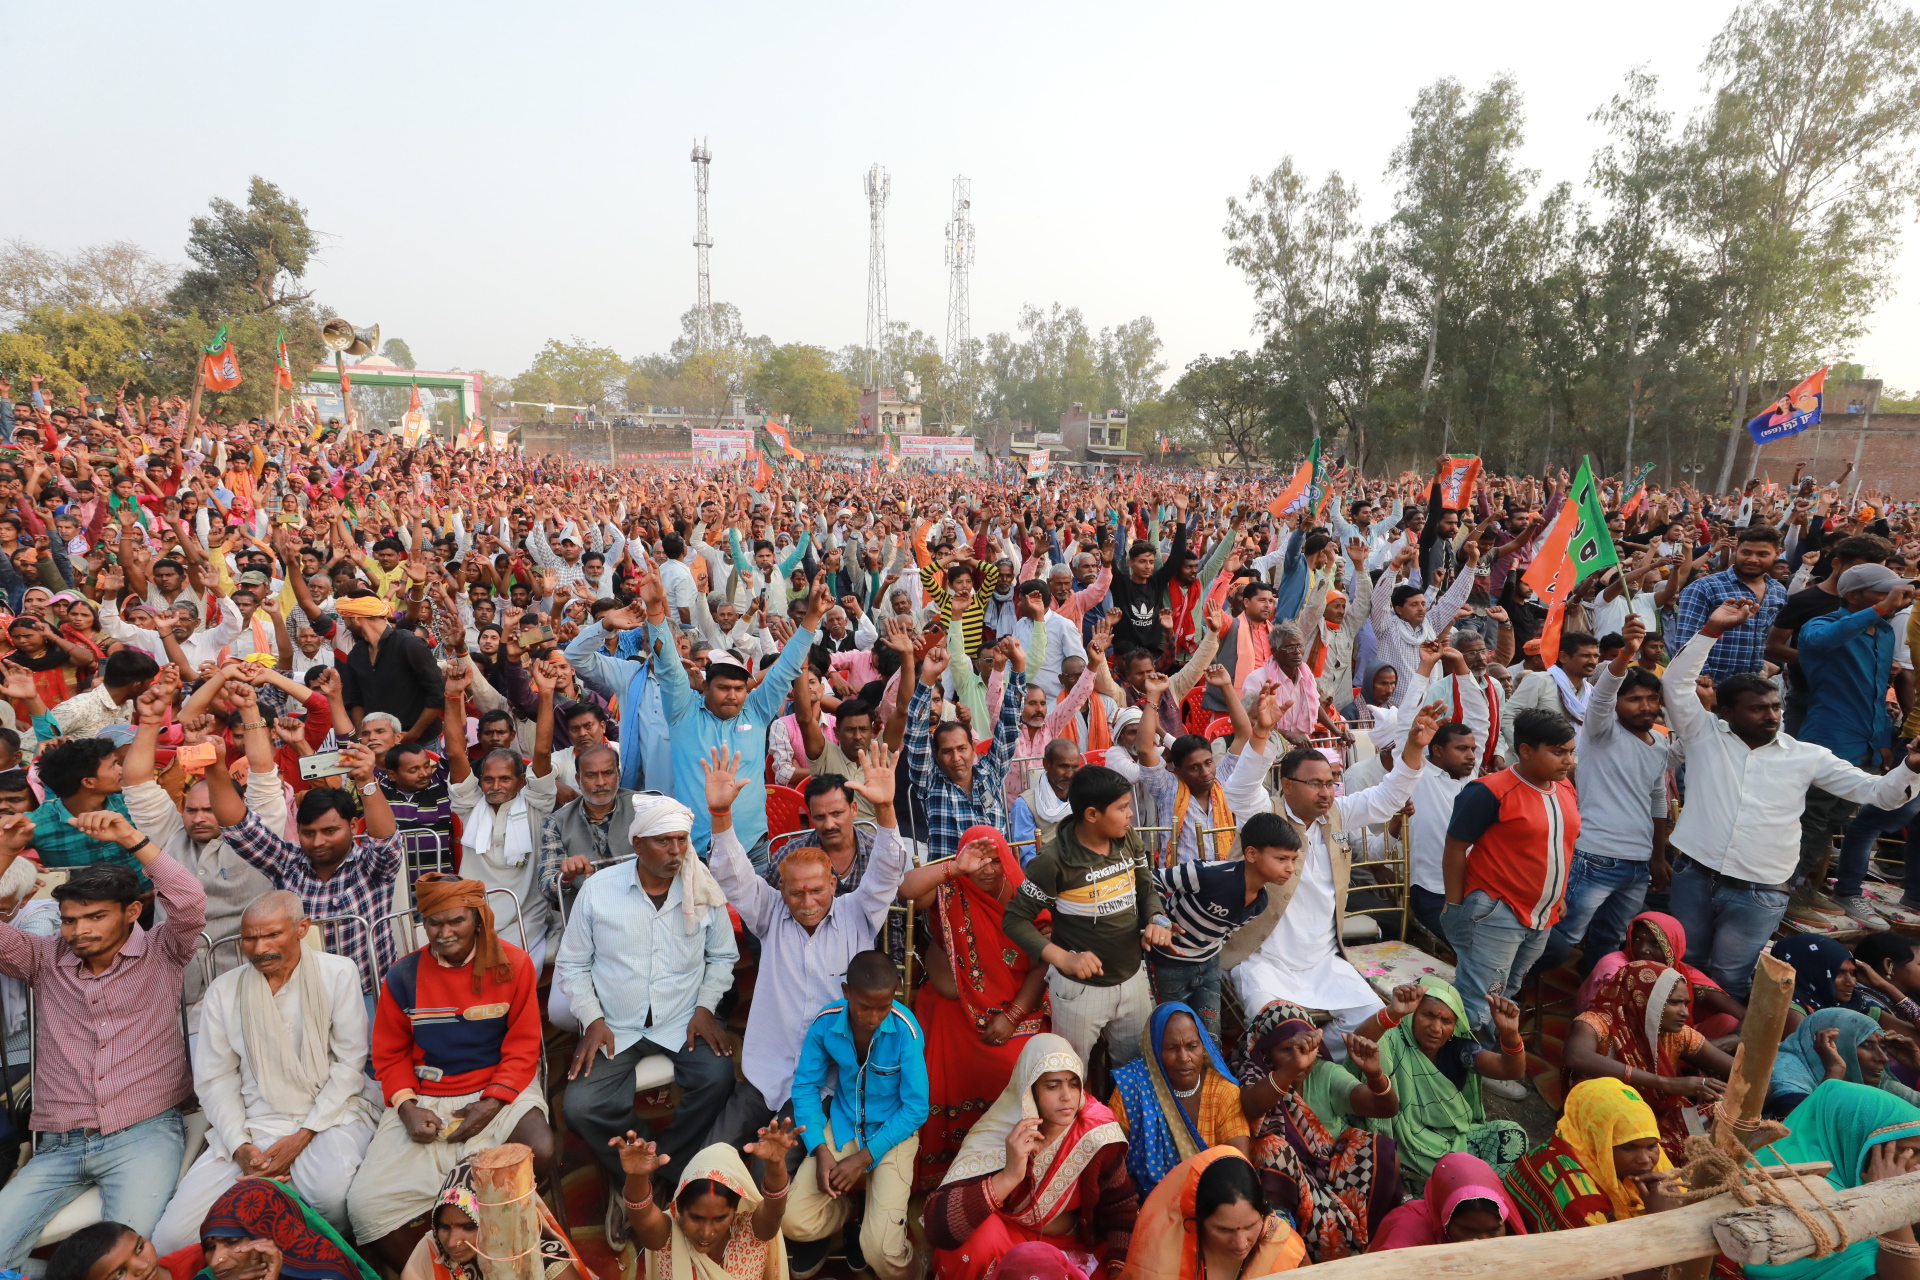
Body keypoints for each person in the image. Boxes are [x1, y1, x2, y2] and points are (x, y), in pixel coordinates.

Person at [1662, 597, 1920, 1001]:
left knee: (1731, 978)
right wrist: (1711, 630)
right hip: (1694, 874)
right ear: (1726, 711)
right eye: (1757, 709)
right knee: (1684, 962)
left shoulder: (1808, 756)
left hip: (1760, 890)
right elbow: (1676, 684)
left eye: (1776, 706)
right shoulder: (1703, 734)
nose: (1771, 715)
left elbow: (1879, 794)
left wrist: (1912, 768)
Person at [0, 811, 205, 1268]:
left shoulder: (163, 951)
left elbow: (189, 900)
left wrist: (132, 838)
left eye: (95, 917)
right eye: (69, 920)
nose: (79, 931)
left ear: (132, 912)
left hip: (143, 1135)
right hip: (57, 1142)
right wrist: (7, 853)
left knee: (128, 1263)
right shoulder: (42, 956)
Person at [704, 742, 905, 1155]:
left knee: (767, 1172)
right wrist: (721, 816)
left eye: (817, 890)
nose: (807, 901)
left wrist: (885, 810)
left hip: (820, 1084)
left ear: (834, 885)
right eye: (796, 892)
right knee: (713, 1155)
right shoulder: (770, 912)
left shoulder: (858, 912)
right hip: (764, 1074)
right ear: (782, 889)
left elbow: (887, 870)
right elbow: (733, 874)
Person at [151, 891, 378, 1252]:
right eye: (250, 938)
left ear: (302, 928)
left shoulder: (338, 973)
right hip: (253, 1126)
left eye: (272, 935)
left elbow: (349, 1065)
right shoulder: (223, 991)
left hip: (331, 1116)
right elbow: (215, 1080)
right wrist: (241, 1145)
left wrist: (302, 1137)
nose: (259, 948)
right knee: (172, 1240)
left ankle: (299, 1265)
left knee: (331, 1199)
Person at [556, 790, 737, 1242]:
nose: (677, 851)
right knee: (578, 1106)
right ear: (638, 844)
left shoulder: (702, 885)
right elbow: (573, 963)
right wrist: (593, 1018)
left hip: (682, 1019)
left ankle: (658, 1170)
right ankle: (629, 1172)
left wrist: (705, 1007)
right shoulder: (600, 889)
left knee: (719, 1078)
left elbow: (722, 957)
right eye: (664, 841)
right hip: (616, 1024)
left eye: (682, 840)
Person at [1221, 693, 1443, 1054]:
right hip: (1263, 959)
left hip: (1322, 959)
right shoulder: (1265, 815)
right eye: (1316, 784)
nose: (1326, 792)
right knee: (1276, 1027)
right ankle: (1289, 1076)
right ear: (1288, 784)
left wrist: (1415, 747)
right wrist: (1261, 731)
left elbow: (1388, 796)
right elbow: (1240, 789)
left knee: (1372, 1018)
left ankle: (1321, 1068)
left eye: (1331, 782)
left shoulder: (1337, 815)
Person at [347, 875, 550, 1268]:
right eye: (433, 922)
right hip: (426, 1096)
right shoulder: (403, 976)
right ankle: (449, 1271)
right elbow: (389, 1055)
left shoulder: (514, 964)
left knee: (537, 1149)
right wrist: (407, 1109)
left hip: (499, 1089)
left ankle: (482, 1234)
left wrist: (489, 1104)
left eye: (455, 920)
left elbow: (524, 1047)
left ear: (478, 918)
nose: (444, 932)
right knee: (366, 1207)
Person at [205, 684, 402, 995]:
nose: (318, 841)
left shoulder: (371, 867)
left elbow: (385, 839)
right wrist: (215, 769)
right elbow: (239, 827)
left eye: (329, 831)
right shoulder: (288, 863)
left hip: (368, 991)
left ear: (352, 826)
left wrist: (366, 781)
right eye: (308, 833)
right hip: (302, 994)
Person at [640, 566, 827, 868]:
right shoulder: (683, 712)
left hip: (754, 849)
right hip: (697, 852)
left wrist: (813, 618)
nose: (732, 695)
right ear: (705, 687)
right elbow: (668, 668)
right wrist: (655, 611)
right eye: (723, 688)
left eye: (739, 688)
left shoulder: (756, 708)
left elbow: (786, 668)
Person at [908, 825, 1051, 1192]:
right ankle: (950, 1161)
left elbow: (1040, 967)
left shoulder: (1025, 897)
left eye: (995, 859)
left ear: (1007, 859)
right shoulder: (949, 889)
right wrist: (954, 869)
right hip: (959, 1010)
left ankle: (1021, 1162)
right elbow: (905, 889)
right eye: (979, 860)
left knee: (1014, 1061)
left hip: (1017, 1006)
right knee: (938, 1038)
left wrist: (1012, 1017)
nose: (987, 868)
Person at [924, 1034, 1137, 1280]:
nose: (1067, 1096)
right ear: (1030, 1089)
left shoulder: (1095, 1133)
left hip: (1069, 1251)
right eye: (1053, 1086)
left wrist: (1117, 1270)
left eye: (1073, 1083)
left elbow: (1121, 1207)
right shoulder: (998, 1133)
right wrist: (1009, 1175)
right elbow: (939, 1228)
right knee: (972, 1245)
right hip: (1006, 1245)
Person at [1002, 763, 1169, 1069]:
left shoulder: (1128, 840)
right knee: (1071, 1071)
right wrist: (1063, 959)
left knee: (1137, 1069)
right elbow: (1014, 920)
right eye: (1122, 808)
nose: (1131, 814)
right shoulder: (1052, 862)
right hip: (1080, 993)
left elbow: (1145, 888)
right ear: (1092, 815)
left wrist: (1156, 918)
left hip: (1133, 979)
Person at [783, 950, 929, 1280]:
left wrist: (862, 1159)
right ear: (847, 992)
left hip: (895, 1132)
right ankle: (850, 1213)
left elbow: (915, 1109)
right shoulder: (825, 1024)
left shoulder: (907, 1031)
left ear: (896, 994)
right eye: (864, 1006)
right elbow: (805, 1087)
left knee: (880, 1252)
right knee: (793, 1221)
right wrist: (819, 1150)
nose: (874, 1016)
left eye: (884, 1006)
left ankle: (915, 1272)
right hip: (845, 1124)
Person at [1441, 708, 1580, 1052]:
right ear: (1526, 750)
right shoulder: (1489, 791)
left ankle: (1483, 1058)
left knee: (1507, 990)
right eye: (1559, 752)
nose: (1569, 760)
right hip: (1495, 911)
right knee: (1480, 997)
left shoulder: (1564, 787)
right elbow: (1456, 849)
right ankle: (1463, 1063)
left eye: (1571, 751)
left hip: (1541, 914)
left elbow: (1560, 844)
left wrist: (1556, 896)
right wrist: (1455, 905)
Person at [1541, 614, 1673, 974]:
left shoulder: (1659, 743)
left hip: (1638, 863)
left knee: (1611, 939)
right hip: (1594, 856)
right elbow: (1601, 695)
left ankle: (1590, 999)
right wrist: (1627, 653)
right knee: (1562, 937)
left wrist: (1657, 857)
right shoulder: (1602, 732)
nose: (1645, 706)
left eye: (1651, 699)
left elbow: (1657, 800)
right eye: (1634, 699)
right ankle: (1519, 998)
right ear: (1615, 703)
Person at [1791, 564, 1914, 929]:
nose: (1891, 598)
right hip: (1829, 737)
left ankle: (1803, 886)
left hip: (1866, 743)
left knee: (1835, 820)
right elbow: (1818, 644)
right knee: (1810, 819)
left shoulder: (1887, 631)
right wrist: (1878, 609)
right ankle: (1784, 889)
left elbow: (1876, 693)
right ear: (1853, 596)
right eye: (1881, 592)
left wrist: (1881, 743)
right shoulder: (1821, 624)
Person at [1233, 1001, 1400, 1261]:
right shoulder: (1254, 1074)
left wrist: (1376, 1074)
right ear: (1266, 1052)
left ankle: (1380, 1236)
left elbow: (1384, 1107)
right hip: (1283, 1186)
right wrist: (1291, 1069)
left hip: (1329, 1172)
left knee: (1377, 1148)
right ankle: (1282, 1249)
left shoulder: (1323, 1072)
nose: (1299, 1056)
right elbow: (1251, 1106)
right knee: (1272, 1149)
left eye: (1304, 1048)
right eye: (1285, 1050)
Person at [443, 659, 558, 966]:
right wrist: (453, 697)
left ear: (521, 781)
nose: (495, 786)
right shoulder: (470, 805)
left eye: (505, 779)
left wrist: (546, 695)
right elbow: (456, 752)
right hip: (473, 911)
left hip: (525, 914)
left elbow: (543, 752)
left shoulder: (536, 804)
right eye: (489, 779)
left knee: (506, 967)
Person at [1361, 980, 1531, 1188]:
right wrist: (1393, 1012)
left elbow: (1510, 1070)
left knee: (1511, 1134)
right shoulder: (1392, 1040)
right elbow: (1360, 1046)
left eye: (1447, 1021)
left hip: (1453, 1145)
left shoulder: (1457, 1049)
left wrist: (1510, 1034)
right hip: (1403, 1152)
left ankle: (1467, 1195)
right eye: (1428, 1015)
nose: (1436, 1028)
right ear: (1412, 1014)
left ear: (1454, 1026)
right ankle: (1458, 1192)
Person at [1563, 960, 1733, 1162]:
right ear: (1643, 998)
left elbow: (1745, 1076)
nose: (1684, 1012)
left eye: (1685, 1003)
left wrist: (1721, 1092)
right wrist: (1666, 1083)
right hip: (1609, 1120)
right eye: (1674, 1002)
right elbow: (1576, 1056)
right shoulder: (1597, 1022)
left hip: (1657, 1118)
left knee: (1720, 1114)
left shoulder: (1677, 1033)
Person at [1149, 812, 1299, 1038]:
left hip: (1209, 966)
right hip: (1170, 964)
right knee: (1173, 1033)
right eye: (1281, 859)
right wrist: (1160, 919)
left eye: (1294, 859)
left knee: (1211, 1036)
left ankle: (1212, 1073)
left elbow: (1224, 934)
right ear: (1251, 854)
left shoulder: (1260, 903)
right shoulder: (1210, 874)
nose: (1290, 868)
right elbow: (1151, 881)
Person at [1750, 1081, 1920, 1280]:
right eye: (1912, 1152)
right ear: (1856, 1140)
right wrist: (1891, 1201)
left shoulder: (1841, 1174)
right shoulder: (1802, 1191)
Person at [616, 1130, 802, 1280]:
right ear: (679, 1207)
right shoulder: (668, 1236)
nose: (706, 1233)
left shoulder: (750, 1232)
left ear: (735, 1209)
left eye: (720, 1218)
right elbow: (644, 1219)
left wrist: (776, 1165)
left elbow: (774, 1211)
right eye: (696, 1217)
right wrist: (636, 1177)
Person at [1503, 1077, 1679, 1234]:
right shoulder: (1581, 1202)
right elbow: (1612, 1265)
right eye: (1629, 1148)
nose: (1646, 1159)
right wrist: (1662, 1221)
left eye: (1652, 1146)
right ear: (1596, 1140)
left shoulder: (1585, 1145)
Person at [1107, 1003, 1251, 1195]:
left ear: (1204, 1047)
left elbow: (1239, 1171)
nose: (1184, 1058)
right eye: (1172, 1048)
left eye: (1192, 1046)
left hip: (1213, 1204)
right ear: (1155, 1051)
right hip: (1148, 1205)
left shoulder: (1224, 1092)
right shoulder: (1132, 1087)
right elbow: (1112, 1166)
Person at [905, 639, 1028, 862]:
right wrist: (927, 678)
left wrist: (1018, 666)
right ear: (936, 755)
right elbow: (915, 732)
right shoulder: (930, 783)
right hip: (954, 884)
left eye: (962, 748)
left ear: (973, 748)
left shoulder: (991, 771)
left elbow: (1009, 725)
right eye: (947, 751)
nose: (956, 758)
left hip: (996, 880)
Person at [1117, 1147, 1304, 1280]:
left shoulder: (1283, 1249)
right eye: (1224, 1230)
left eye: (1250, 1226)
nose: (1240, 1243)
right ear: (1196, 1219)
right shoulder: (1158, 1258)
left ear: (1264, 1213)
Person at [401, 1159, 586, 1280]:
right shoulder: (433, 1249)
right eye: (444, 1227)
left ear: (498, 1222)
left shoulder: (542, 1262)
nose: (452, 1242)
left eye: (468, 1227)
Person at [1575, 912, 1747, 1040]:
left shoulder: (1680, 970)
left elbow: (1742, 1014)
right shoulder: (1615, 966)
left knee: (1728, 1022)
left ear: (1673, 948)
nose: (1642, 949)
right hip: (1621, 1037)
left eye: (1654, 944)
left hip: (1674, 1038)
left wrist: (1735, 1037)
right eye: (1636, 940)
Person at [185, 1178, 379, 1280]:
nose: (217, 1260)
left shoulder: (327, 1274)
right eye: (210, 1247)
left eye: (232, 1242)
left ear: (272, 1236)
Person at [1668, 524, 1787, 681]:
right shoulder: (1704, 587)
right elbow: (1685, 639)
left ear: (1777, 554)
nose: (1753, 559)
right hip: (1709, 685)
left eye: (1762, 554)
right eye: (1746, 552)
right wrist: (1703, 676)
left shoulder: (1778, 591)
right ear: (1736, 549)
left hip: (1752, 688)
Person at [1765, 1009, 1920, 1117]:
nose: (1884, 1058)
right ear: (1832, 1045)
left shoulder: (1870, 1078)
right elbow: (1800, 1126)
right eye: (1866, 1046)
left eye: (1884, 1048)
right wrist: (1835, 1070)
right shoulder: (1785, 1071)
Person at [337, 592, 446, 744]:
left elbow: (438, 694)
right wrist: (363, 737)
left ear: (356, 619)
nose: (344, 624)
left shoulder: (409, 644)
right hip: (376, 745)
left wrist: (413, 734)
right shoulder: (356, 654)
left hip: (419, 744)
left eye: (344, 619)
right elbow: (356, 701)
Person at [1368, 1152, 1527, 1252]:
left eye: (1493, 1230)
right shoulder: (1405, 1236)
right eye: (1467, 1229)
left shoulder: (1509, 1237)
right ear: (1444, 1220)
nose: (1482, 1243)